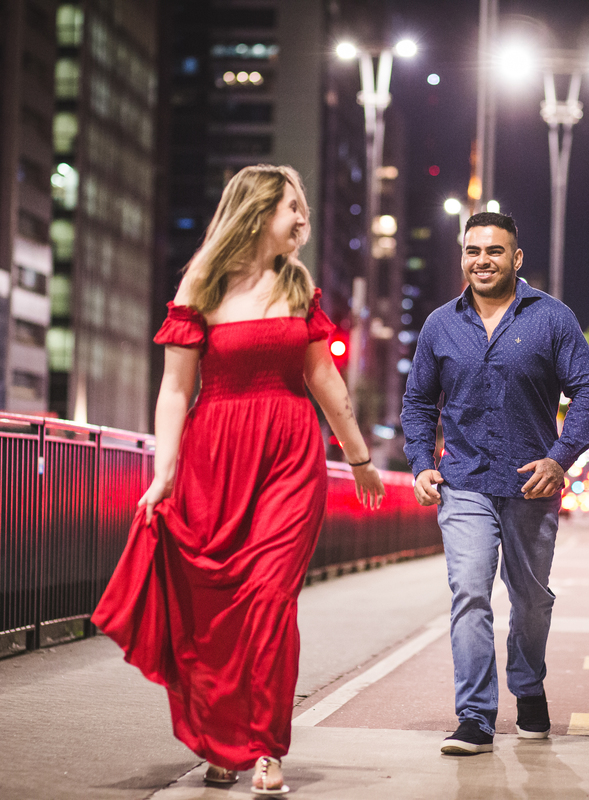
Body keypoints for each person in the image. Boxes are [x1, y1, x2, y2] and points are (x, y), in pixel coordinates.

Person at [93, 164, 385, 795]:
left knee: (270, 600)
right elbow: (175, 390)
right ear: (257, 214)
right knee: (216, 610)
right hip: (213, 462)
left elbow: (325, 383)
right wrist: (162, 473)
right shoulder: (200, 286)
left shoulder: (299, 286)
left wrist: (359, 459)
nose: (303, 222)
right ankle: (220, 743)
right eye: (293, 210)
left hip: (288, 459)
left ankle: (266, 749)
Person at [400, 211, 589, 755]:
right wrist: (422, 462)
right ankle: (475, 716)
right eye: (472, 251)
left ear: (516, 258)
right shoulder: (440, 325)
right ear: (462, 258)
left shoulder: (553, 320)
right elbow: (419, 401)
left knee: (531, 600)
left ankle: (529, 690)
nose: (481, 261)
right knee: (470, 593)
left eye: (494, 251)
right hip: (464, 483)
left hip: (531, 486)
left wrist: (561, 458)